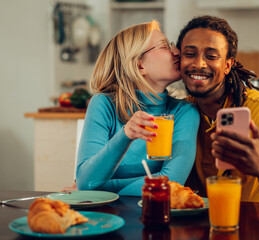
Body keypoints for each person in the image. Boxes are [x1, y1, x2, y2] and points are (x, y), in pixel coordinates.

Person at [177, 16, 259, 204]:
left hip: (257, 225)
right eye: (190, 54)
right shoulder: (180, 111)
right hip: (199, 224)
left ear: (227, 65)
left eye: (211, 56)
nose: (198, 64)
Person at [71, 20, 199, 196]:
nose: (177, 52)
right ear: (140, 66)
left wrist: (101, 188)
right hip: (106, 218)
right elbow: (86, 181)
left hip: (155, 214)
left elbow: (170, 182)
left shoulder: (184, 112)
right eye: (164, 46)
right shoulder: (103, 104)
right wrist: (125, 135)